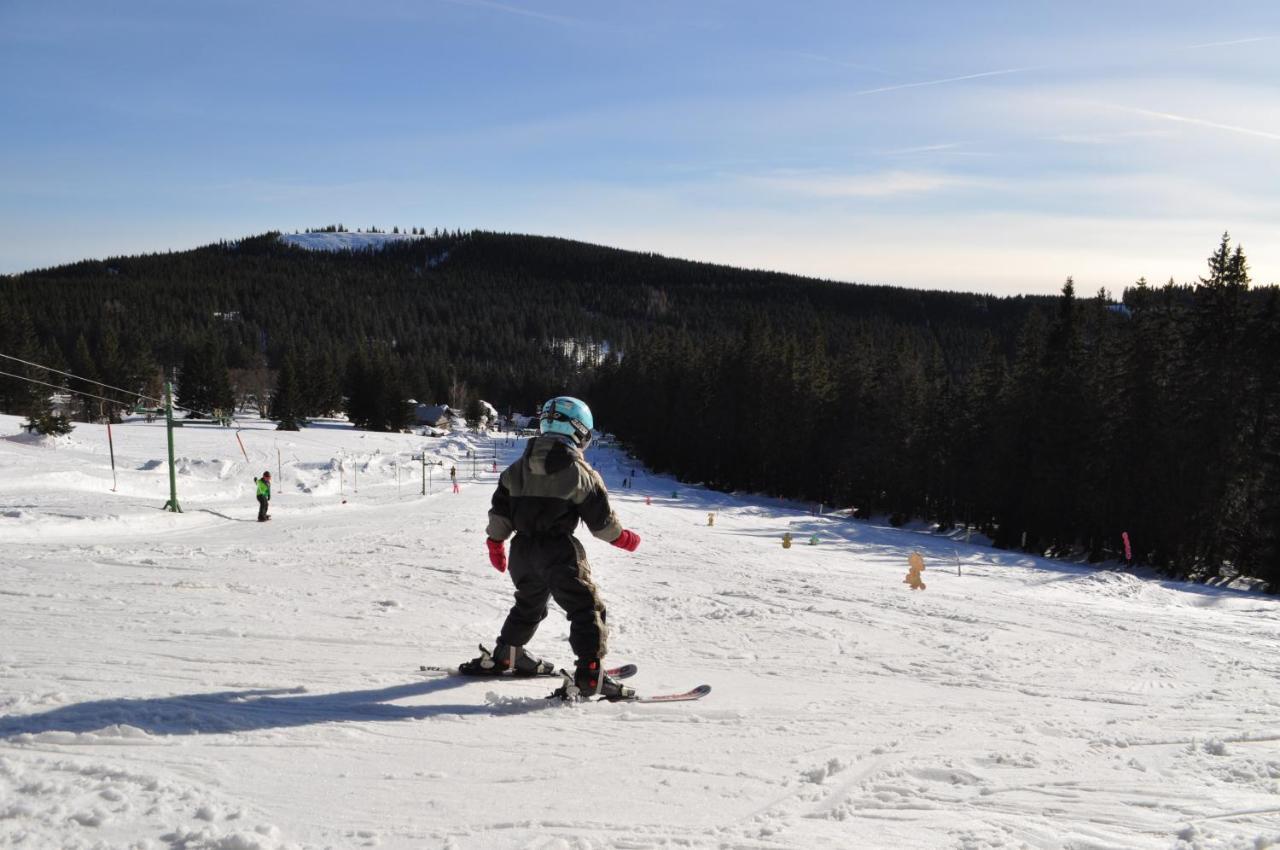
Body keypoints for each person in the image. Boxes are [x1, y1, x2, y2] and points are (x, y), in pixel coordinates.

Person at [460, 396, 641, 700]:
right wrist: (624, 538)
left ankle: (508, 653)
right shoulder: (579, 472)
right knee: (586, 607)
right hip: (558, 552)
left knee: (529, 604)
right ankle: (591, 673)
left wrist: (495, 543)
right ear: (579, 431)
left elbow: (500, 513)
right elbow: (601, 523)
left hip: (522, 552)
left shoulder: (516, 468)